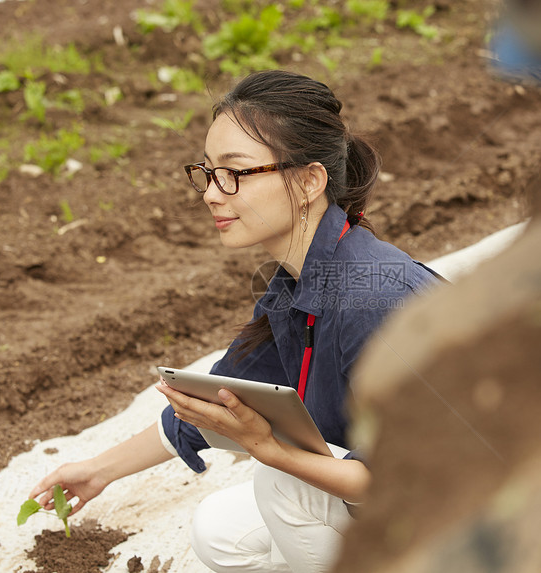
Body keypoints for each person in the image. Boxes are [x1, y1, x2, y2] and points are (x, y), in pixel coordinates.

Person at [29, 69, 441, 572]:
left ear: (309, 181)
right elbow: (218, 396)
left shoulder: (376, 300)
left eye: (235, 173)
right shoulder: (298, 285)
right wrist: (97, 471)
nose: (211, 193)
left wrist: (268, 448)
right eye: (207, 172)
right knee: (223, 531)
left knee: (285, 485)